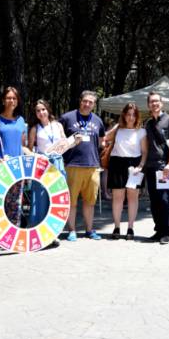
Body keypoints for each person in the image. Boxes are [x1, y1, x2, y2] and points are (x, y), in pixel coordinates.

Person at [0, 86, 31, 249]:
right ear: (3, 100)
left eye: (14, 98)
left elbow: (22, 145)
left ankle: (10, 238)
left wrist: (34, 156)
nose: (11, 101)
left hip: (16, 170)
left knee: (14, 205)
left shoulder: (21, 121)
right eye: (8, 98)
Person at [59, 90, 106, 241]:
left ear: (94, 104)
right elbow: (59, 141)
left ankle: (89, 230)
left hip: (92, 166)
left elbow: (101, 142)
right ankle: (71, 231)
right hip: (72, 165)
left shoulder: (98, 121)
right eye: (85, 101)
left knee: (90, 201)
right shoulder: (67, 118)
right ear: (80, 101)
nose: (87, 104)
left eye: (90, 102)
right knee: (71, 201)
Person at [27, 99, 74, 236]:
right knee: (40, 196)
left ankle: (54, 231)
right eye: (38, 111)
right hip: (42, 165)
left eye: (43, 109)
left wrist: (74, 141)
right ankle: (39, 230)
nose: (41, 112)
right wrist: (37, 156)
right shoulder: (35, 129)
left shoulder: (58, 125)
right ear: (35, 114)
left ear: (48, 110)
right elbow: (28, 149)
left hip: (58, 163)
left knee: (56, 196)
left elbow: (65, 143)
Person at [105, 103, 147, 240]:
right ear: (124, 115)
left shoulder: (141, 131)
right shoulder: (118, 129)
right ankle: (116, 227)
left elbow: (144, 152)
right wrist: (116, 127)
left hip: (134, 165)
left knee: (132, 197)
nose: (131, 117)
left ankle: (130, 228)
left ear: (137, 116)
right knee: (118, 197)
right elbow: (104, 138)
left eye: (134, 115)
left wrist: (140, 166)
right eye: (128, 114)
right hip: (117, 163)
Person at [143, 90, 169, 244]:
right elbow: (145, 145)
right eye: (151, 101)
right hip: (150, 166)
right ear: (148, 105)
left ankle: (166, 232)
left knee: (164, 199)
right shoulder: (148, 123)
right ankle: (158, 230)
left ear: (161, 103)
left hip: (164, 167)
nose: (154, 103)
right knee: (154, 201)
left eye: (156, 101)